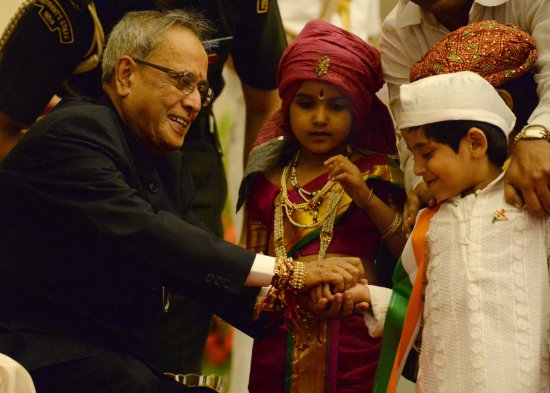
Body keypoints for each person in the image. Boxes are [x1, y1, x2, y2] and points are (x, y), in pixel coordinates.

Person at [0, 10, 365, 393]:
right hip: (32, 350)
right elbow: (151, 234)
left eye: (201, 91)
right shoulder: (76, 133)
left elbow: (192, 261)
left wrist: (288, 303)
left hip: (101, 355)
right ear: (126, 75)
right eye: (182, 82)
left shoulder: (165, 160)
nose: (194, 103)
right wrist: (290, 272)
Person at [341, 71, 550, 392]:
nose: (418, 169)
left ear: (475, 143)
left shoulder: (530, 208)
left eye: (426, 154)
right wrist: (370, 298)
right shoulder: (431, 223)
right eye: (412, 155)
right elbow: (417, 306)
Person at [237, 20, 407, 392]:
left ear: (359, 110)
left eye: (337, 105)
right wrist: (297, 285)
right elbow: (246, 270)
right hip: (277, 345)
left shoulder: (377, 176)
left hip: (354, 344)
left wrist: (364, 195)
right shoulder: (266, 179)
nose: (319, 118)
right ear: (287, 104)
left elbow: (408, 259)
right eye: (306, 103)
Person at [379, 0, 550, 219]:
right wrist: (428, 184)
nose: (419, 168)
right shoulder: (399, 30)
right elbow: (412, 130)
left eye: (428, 155)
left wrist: (538, 134)